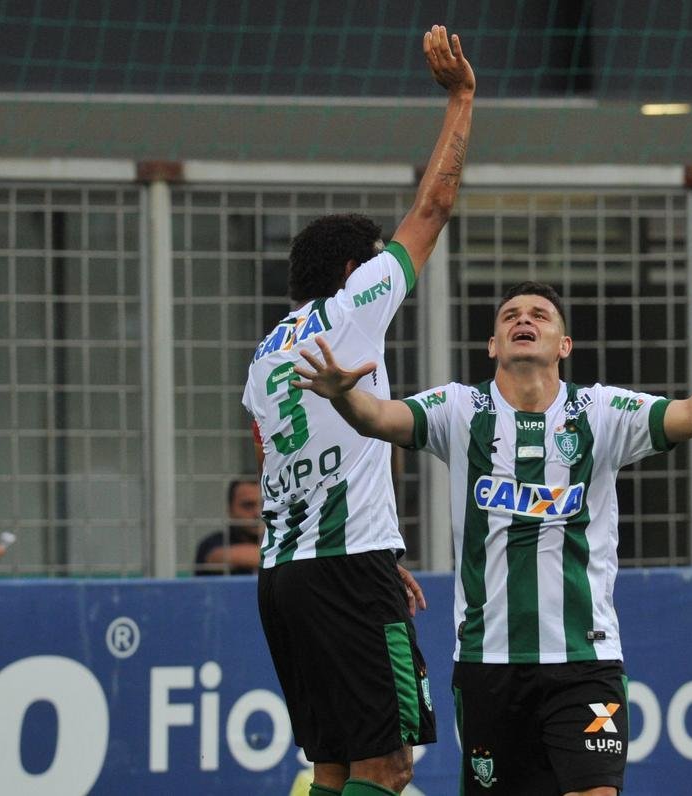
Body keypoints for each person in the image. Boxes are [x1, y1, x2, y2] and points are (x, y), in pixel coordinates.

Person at [290, 281, 692, 796]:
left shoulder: (601, 412)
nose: (524, 320)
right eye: (511, 315)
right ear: (493, 344)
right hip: (488, 663)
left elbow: (691, 417)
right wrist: (343, 397)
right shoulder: (460, 409)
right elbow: (379, 417)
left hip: (585, 659)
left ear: (564, 345)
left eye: (540, 314)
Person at [242, 25, 474, 796]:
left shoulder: (265, 353)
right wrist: (461, 99)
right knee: (389, 764)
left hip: (286, 574)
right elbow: (435, 207)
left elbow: (271, 458)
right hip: (346, 571)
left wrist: (377, 540)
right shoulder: (354, 304)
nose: (387, 263)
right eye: (374, 255)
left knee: (332, 765)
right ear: (352, 268)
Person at [193, 478, 264, 575]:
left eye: (264, 504)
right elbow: (218, 557)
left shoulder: (278, 539)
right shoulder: (213, 543)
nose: (258, 513)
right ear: (230, 510)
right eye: (248, 505)